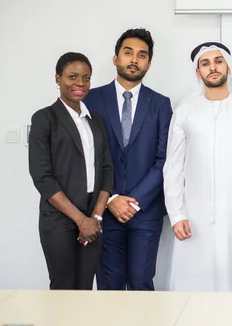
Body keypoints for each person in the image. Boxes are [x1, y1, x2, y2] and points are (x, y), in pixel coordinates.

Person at [163, 41, 232, 292]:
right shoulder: (184, 112)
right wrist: (177, 214)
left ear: (228, 67)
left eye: (218, 61)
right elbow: (173, 168)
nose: (212, 68)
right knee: (192, 291)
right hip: (193, 218)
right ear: (198, 72)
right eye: (205, 63)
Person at [84, 28, 172, 290]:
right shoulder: (91, 99)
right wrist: (111, 198)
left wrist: (134, 202)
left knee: (141, 282)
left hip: (145, 212)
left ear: (149, 63)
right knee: (109, 284)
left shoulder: (161, 104)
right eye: (128, 52)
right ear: (115, 58)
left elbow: (165, 159)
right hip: (103, 209)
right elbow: (87, 156)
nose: (134, 59)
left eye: (142, 55)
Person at [28, 52, 114, 290]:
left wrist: (95, 217)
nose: (80, 83)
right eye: (72, 77)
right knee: (63, 286)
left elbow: (107, 168)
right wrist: (80, 220)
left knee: (85, 286)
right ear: (58, 78)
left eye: (86, 78)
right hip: (59, 218)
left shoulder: (94, 120)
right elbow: (42, 177)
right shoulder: (45, 119)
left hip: (92, 214)